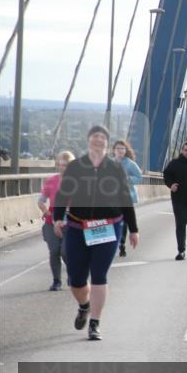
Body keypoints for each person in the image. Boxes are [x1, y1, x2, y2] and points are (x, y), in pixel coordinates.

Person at [52, 125, 139, 340]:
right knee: (77, 279)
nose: (99, 140)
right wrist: (56, 219)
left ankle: (95, 323)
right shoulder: (76, 166)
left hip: (108, 227)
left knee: (99, 275)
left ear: (107, 143)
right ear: (89, 139)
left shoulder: (115, 168)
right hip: (77, 227)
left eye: (103, 137)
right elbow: (63, 194)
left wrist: (134, 229)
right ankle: (84, 305)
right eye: (95, 136)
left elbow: (125, 200)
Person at [37, 150, 74, 291]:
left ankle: (72, 274)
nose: (61, 167)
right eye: (58, 164)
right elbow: (41, 200)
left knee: (65, 251)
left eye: (64, 165)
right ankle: (56, 281)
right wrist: (44, 210)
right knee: (54, 251)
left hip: (70, 221)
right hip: (51, 221)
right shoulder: (51, 180)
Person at [112, 140, 142, 257]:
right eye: (118, 148)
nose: (120, 151)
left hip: (126, 196)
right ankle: (114, 241)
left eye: (122, 148)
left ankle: (121, 243)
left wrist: (128, 179)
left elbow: (139, 178)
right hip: (111, 197)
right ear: (113, 150)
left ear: (126, 151)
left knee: (123, 221)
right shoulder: (109, 163)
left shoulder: (130, 164)